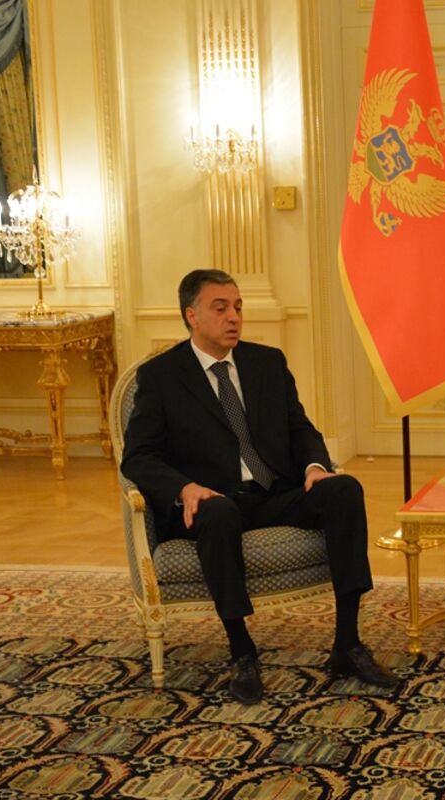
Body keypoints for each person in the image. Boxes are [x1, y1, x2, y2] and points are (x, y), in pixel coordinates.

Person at [121, 269, 398, 704]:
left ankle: (347, 643)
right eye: (220, 308)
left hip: (273, 493)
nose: (234, 317)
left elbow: (299, 427)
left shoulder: (267, 363)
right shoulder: (162, 376)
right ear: (192, 315)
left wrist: (315, 467)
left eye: (237, 307)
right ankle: (242, 652)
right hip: (212, 501)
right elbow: (138, 457)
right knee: (217, 513)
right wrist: (184, 488)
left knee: (344, 490)